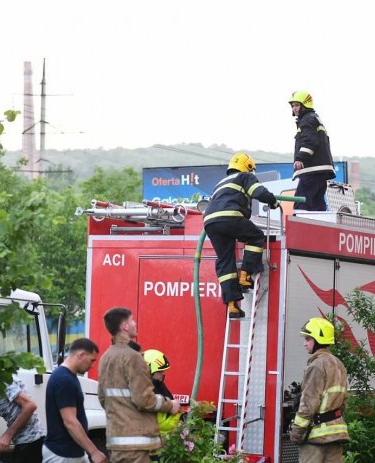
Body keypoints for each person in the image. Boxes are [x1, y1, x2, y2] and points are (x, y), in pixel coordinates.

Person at [98, 307, 180, 463]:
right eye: (132, 320)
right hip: (134, 445)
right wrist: (170, 405)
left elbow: (103, 398)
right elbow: (144, 399)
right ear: (125, 326)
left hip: (117, 441)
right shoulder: (133, 357)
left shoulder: (106, 357)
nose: (135, 324)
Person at [203, 152, 280, 318]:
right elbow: (259, 192)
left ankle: (232, 306)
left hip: (210, 222)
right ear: (248, 167)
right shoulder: (244, 176)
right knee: (256, 236)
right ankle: (245, 276)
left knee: (225, 261)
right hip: (229, 216)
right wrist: (273, 202)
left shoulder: (220, 183)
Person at [39, 338, 108, 463]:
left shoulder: (68, 377)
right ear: (81, 355)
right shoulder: (64, 380)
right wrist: (93, 451)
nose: (92, 366)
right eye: (92, 360)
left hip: (76, 452)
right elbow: (70, 421)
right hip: (62, 454)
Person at [290, 317, 349, 463]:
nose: (305, 343)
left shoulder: (316, 366)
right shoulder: (339, 364)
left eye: (308, 338)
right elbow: (343, 401)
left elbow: (308, 404)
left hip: (315, 436)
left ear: (318, 339)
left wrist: (296, 432)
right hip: (335, 435)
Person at [288, 91, 336, 212]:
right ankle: (320, 227)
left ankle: (300, 229)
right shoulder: (314, 119)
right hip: (321, 171)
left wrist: (300, 157)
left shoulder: (307, 120)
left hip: (312, 170)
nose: (294, 108)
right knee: (317, 204)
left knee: (301, 202)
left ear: (305, 105)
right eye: (293, 105)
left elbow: (309, 141)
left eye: (297, 105)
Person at [143, 349, 184, 434]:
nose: (163, 374)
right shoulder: (142, 388)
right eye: (160, 371)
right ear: (149, 370)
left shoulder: (158, 384)